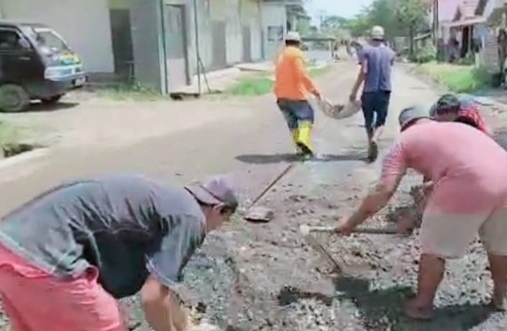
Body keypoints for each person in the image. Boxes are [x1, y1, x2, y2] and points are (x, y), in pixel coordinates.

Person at [335, 106, 507, 319]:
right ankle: (500, 297)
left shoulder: (404, 139)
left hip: (467, 179)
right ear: (428, 119)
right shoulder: (451, 130)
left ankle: (422, 305)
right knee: (500, 245)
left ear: (404, 125)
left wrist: (352, 222)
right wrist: (415, 218)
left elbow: (383, 190)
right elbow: (440, 185)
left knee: (434, 248)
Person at [0, 174, 238, 331]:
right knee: (105, 322)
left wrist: (186, 326)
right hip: (45, 260)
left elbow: (161, 288)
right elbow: (152, 297)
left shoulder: (164, 201)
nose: (215, 230)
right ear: (219, 209)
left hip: (9, 247)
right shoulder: (191, 219)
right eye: (223, 222)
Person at [349, 25, 396, 162]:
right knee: (380, 121)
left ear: (371, 37)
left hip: (369, 91)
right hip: (384, 90)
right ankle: (376, 138)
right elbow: (390, 65)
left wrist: (354, 91)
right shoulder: (390, 52)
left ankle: (371, 143)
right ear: (382, 37)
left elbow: (364, 72)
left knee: (368, 121)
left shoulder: (365, 51)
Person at [274, 31, 323, 158]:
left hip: (280, 96)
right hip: (296, 95)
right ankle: (303, 140)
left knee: (292, 122)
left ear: (286, 42)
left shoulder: (280, 55)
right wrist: (314, 90)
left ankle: (299, 149)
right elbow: (301, 75)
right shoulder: (296, 54)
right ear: (298, 43)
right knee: (307, 117)